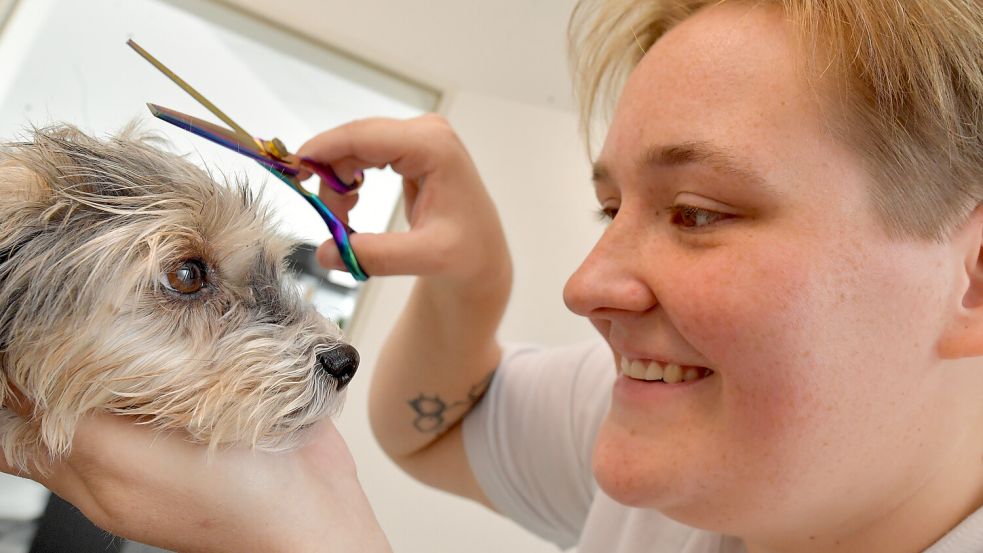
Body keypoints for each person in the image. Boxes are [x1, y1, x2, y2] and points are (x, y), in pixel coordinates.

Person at [4, 0, 983, 552]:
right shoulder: (667, 427)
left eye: (695, 213)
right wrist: (472, 282)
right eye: (610, 209)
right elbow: (433, 428)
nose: (585, 282)